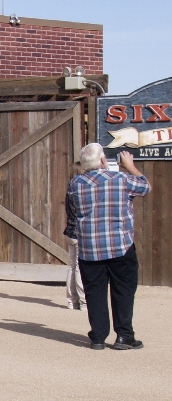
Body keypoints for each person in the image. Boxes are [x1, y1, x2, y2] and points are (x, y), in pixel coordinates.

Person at [68, 144, 150, 350]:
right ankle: (124, 335)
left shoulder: (75, 184)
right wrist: (129, 166)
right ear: (103, 161)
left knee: (94, 292)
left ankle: (98, 337)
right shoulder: (120, 180)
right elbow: (145, 187)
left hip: (89, 247)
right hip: (119, 245)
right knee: (123, 290)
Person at [64, 163, 86, 311]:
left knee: (72, 266)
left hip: (70, 230)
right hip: (79, 231)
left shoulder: (69, 190)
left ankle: (72, 300)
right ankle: (84, 301)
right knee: (79, 267)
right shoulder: (81, 190)